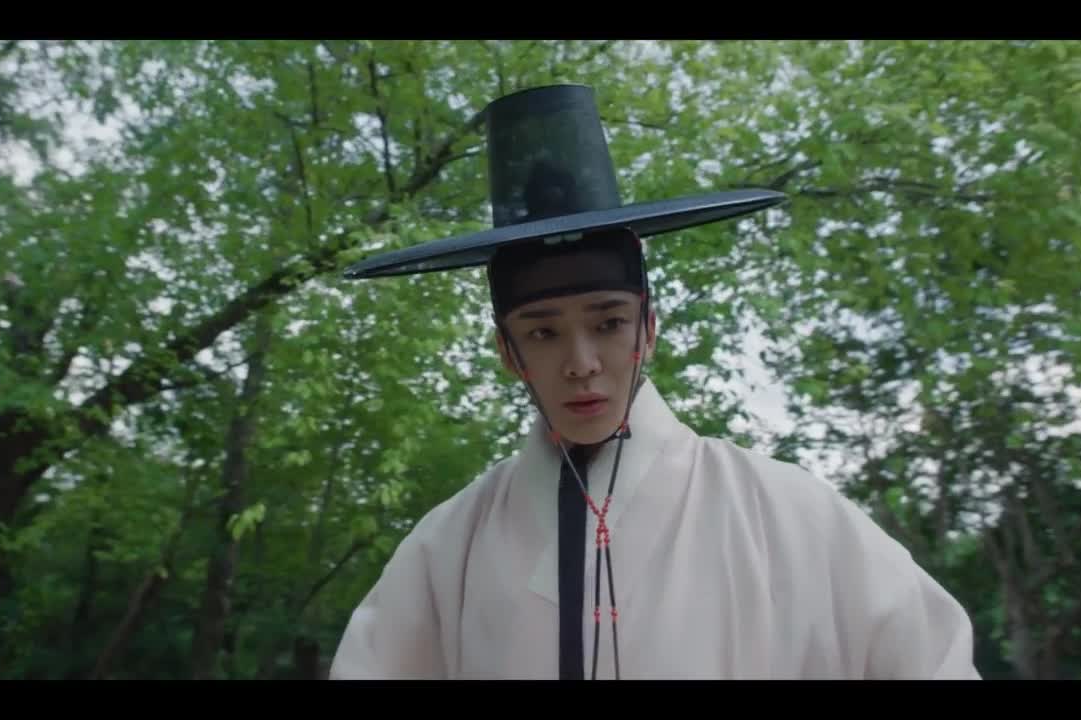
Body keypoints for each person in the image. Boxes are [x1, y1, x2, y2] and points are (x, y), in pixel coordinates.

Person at [329, 84, 981, 680]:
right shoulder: (449, 547)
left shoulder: (784, 514)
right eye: (544, 332)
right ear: (508, 351)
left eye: (608, 323)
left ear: (648, 329)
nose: (582, 362)